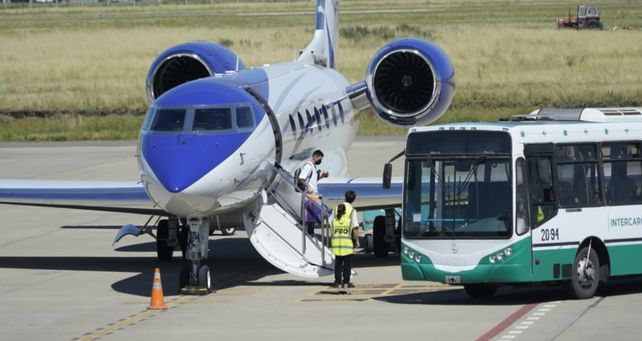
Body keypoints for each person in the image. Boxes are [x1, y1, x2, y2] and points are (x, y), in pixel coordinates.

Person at [330, 190, 360, 294]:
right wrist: (356, 241)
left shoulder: (334, 210)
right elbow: (356, 228)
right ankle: (346, 287)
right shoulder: (352, 211)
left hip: (337, 244)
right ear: (353, 199)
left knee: (337, 267)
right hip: (347, 244)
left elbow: (331, 224)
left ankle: (338, 286)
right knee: (347, 267)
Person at [298, 150, 329, 235]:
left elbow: (312, 181)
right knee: (311, 217)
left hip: (313, 196)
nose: (320, 161)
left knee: (313, 218)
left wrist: (322, 176)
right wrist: (308, 187)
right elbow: (301, 178)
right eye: (320, 158)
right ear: (315, 156)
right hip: (309, 196)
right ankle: (309, 234)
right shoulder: (308, 166)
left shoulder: (313, 167)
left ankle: (310, 234)